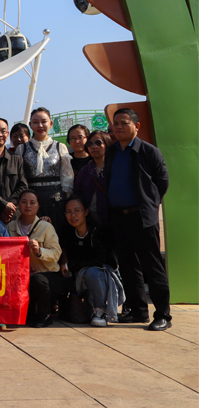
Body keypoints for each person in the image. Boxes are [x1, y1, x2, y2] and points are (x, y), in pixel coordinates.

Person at [104, 107, 171, 331]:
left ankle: (163, 315)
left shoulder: (150, 152)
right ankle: (138, 311)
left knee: (152, 267)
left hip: (141, 217)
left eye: (124, 123)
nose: (119, 127)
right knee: (128, 266)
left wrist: (148, 205)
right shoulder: (112, 151)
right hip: (118, 217)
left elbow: (162, 183)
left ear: (137, 126)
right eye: (116, 123)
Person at [60, 197, 124, 327]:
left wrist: (70, 265)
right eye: (68, 211)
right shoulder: (68, 233)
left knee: (92, 271)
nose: (73, 215)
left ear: (86, 212)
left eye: (77, 210)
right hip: (81, 278)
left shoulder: (98, 232)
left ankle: (101, 311)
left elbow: (99, 261)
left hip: (104, 276)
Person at [7, 189, 62, 327]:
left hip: (46, 274)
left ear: (38, 206)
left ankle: (45, 316)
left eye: (32, 202)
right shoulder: (10, 227)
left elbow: (56, 253)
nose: (28, 205)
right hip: (20, 276)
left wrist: (39, 251)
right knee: (28, 316)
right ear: (18, 205)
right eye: (24, 202)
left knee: (37, 280)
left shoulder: (46, 227)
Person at [14, 108, 74, 227]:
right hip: (31, 203)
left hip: (56, 201)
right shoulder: (21, 149)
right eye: (36, 122)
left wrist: (67, 201)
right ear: (30, 125)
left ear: (51, 124)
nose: (40, 125)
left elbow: (67, 177)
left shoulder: (60, 147)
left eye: (44, 121)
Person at [73, 130, 112, 226]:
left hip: (113, 218)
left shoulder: (115, 168)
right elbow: (78, 195)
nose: (94, 146)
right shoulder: (85, 171)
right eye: (90, 143)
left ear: (107, 144)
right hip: (90, 221)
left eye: (98, 143)